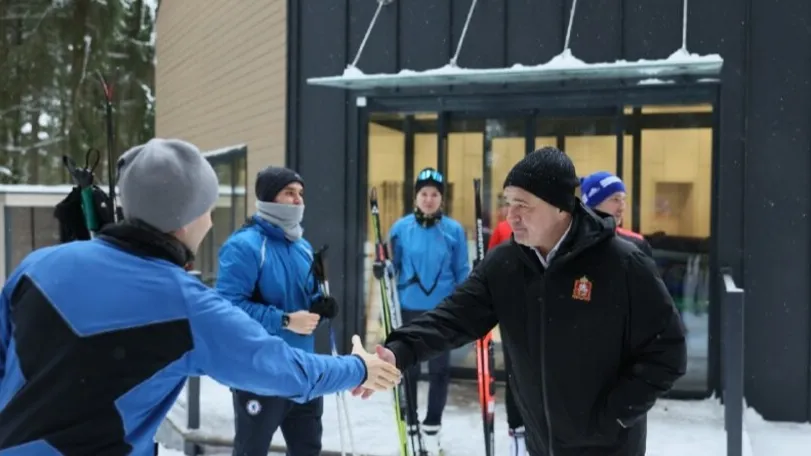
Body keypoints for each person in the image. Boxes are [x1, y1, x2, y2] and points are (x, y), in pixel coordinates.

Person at [0, 139, 401, 455]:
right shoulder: (187, 304)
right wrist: (358, 368)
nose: (212, 219)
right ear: (188, 216)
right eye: (209, 206)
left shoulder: (37, 267)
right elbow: (282, 369)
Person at [360, 147, 687, 456]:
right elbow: (454, 317)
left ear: (561, 206)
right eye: (508, 203)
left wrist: (615, 415)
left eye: (523, 205)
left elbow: (668, 351)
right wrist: (400, 349)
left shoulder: (623, 264)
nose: (510, 216)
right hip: (541, 445)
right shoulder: (505, 264)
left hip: (608, 447)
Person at [216, 166, 338, 456]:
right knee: (252, 449)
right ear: (270, 198)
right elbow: (227, 308)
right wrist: (284, 320)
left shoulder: (302, 247)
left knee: (308, 448)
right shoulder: (244, 246)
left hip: (303, 368)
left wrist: (320, 304)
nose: (298, 201)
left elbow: (308, 296)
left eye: (301, 194)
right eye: (289, 193)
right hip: (260, 371)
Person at [373, 167, 470, 453]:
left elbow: (462, 271)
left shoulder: (453, 230)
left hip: (442, 311)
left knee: (440, 371)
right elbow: (392, 267)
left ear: (442, 199)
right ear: (416, 197)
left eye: (435, 194)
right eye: (424, 193)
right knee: (408, 369)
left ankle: (432, 428)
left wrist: (465, 308)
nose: (429, 199)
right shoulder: (401, 229)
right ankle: (411, 424)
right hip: (408, 309)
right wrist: (383, 269)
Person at [487, 214, 526, 456]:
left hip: (543, 310)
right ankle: (517, 429)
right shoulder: (502, 228)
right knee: (516, 373)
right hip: (513, 310)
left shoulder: (544, 226)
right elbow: (491, 264)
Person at [580, 171, 652, 256]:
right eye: (616, 199)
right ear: (593, 205)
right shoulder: (572, 243)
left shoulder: (636, 243)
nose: (622, 207)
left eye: (623, 199)